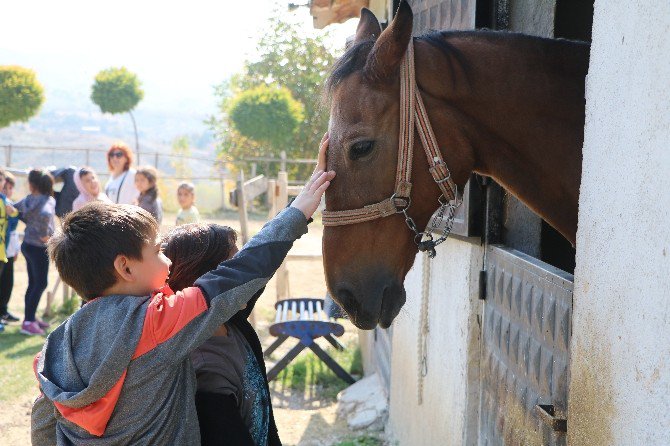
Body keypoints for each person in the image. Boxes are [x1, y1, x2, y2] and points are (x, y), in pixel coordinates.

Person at [31, 136, 333, 444]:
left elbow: (43, 422)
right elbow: (237, 275)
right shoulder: (156, 323)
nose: (167, 261)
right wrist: (299, 210)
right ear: (126, 268)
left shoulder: (57, 345)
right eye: (158, 251)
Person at [163, 223, 280, 445]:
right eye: (235, 271)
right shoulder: (208, 371)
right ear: (207, 282)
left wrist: (299, 212)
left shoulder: (231, 321)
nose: (245, 278)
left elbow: (261, 260)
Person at [14, 169, 56, 336]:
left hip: (27, 245)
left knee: (33, 283)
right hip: (39, 247)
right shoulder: (49, 200)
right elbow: (46, 214)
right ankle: (28, 322)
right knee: (40, 283)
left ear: (32, 184)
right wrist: (46, 236)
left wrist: (27, 221)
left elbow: (14, 209)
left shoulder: (28, 200)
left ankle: (29, 317)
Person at [0, 172, 21, 325]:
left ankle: (3, 312)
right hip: (3, 248)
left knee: (7, 281)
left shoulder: (8, 204)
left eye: (10, 187)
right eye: (4, 186)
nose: (6, 189)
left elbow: (13, 227)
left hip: (7, 249)